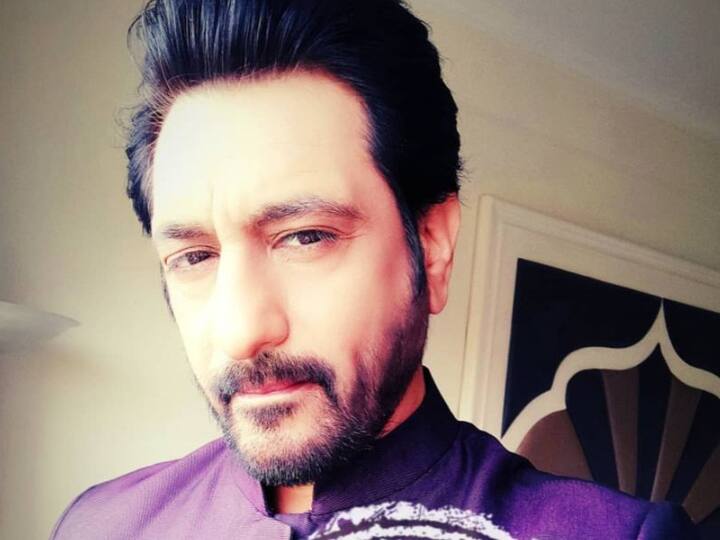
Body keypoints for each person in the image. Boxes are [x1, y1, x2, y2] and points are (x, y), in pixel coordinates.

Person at [51, 1, 699, 538]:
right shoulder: (99, 524)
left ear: (432, 246)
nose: (241, 332)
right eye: (194, 256)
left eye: (305, 236)